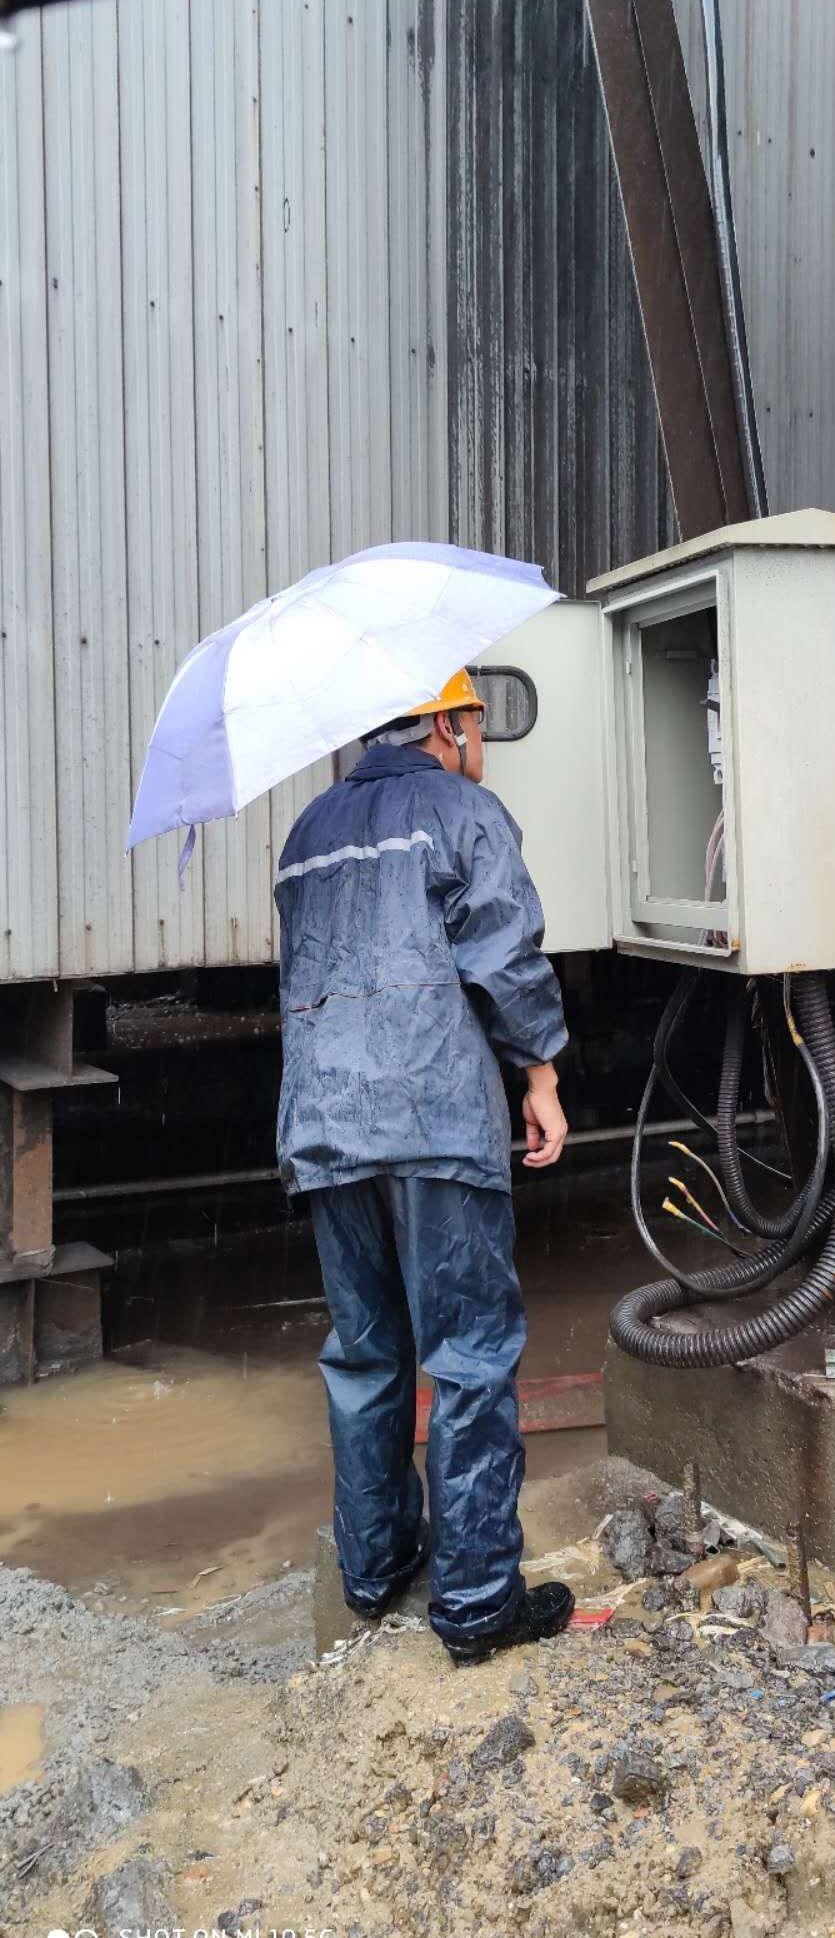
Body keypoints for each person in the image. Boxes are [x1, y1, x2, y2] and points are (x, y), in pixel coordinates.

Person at [274, 668, 574, 1663]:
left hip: (327, 1125)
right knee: (470, 1355)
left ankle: (374, 1573)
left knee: (365, 1357)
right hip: (434, 1115)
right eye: (476, 719)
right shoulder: (460, 810)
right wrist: (540, 1073)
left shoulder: (307, 833)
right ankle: (479, 1604)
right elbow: (505, 957)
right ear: (446, 723)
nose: (478, 739)